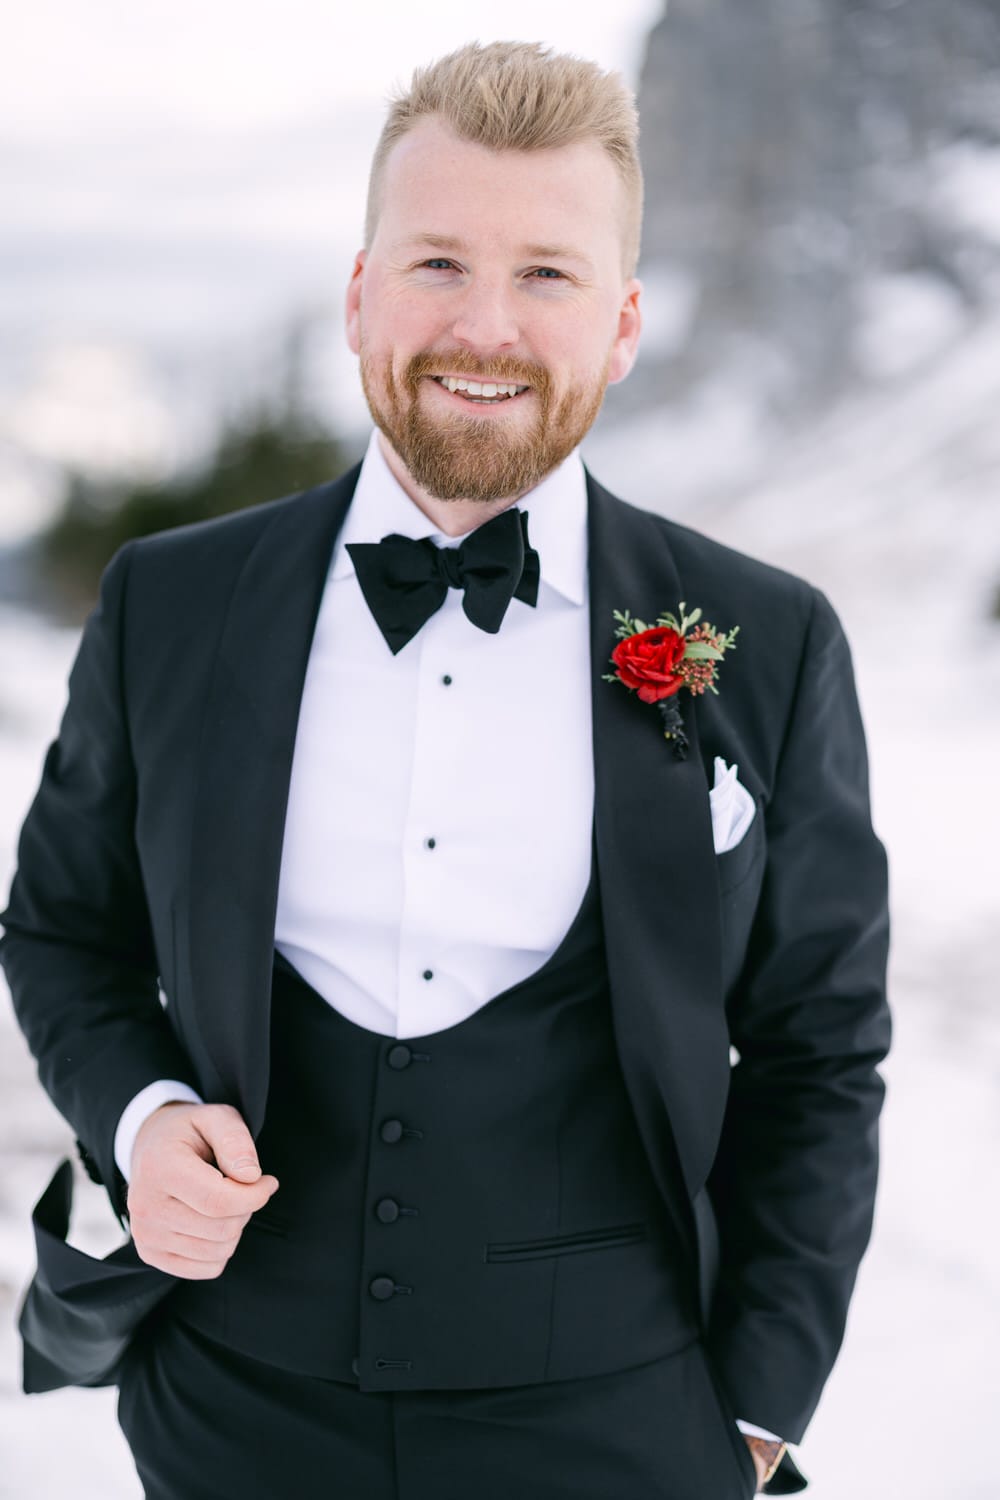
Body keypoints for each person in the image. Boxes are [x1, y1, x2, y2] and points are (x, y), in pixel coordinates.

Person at [1, 40, 890, 1500]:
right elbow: (61, 932)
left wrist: (758, 1407)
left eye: (547, 273)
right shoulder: (171, 603)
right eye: (435, 264)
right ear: (359, 295)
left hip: (628, 1431)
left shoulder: (770, 645)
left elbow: (821, 1047)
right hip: (229, 1416)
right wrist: (145, 1120)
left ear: (622, 325)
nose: (484, 326)